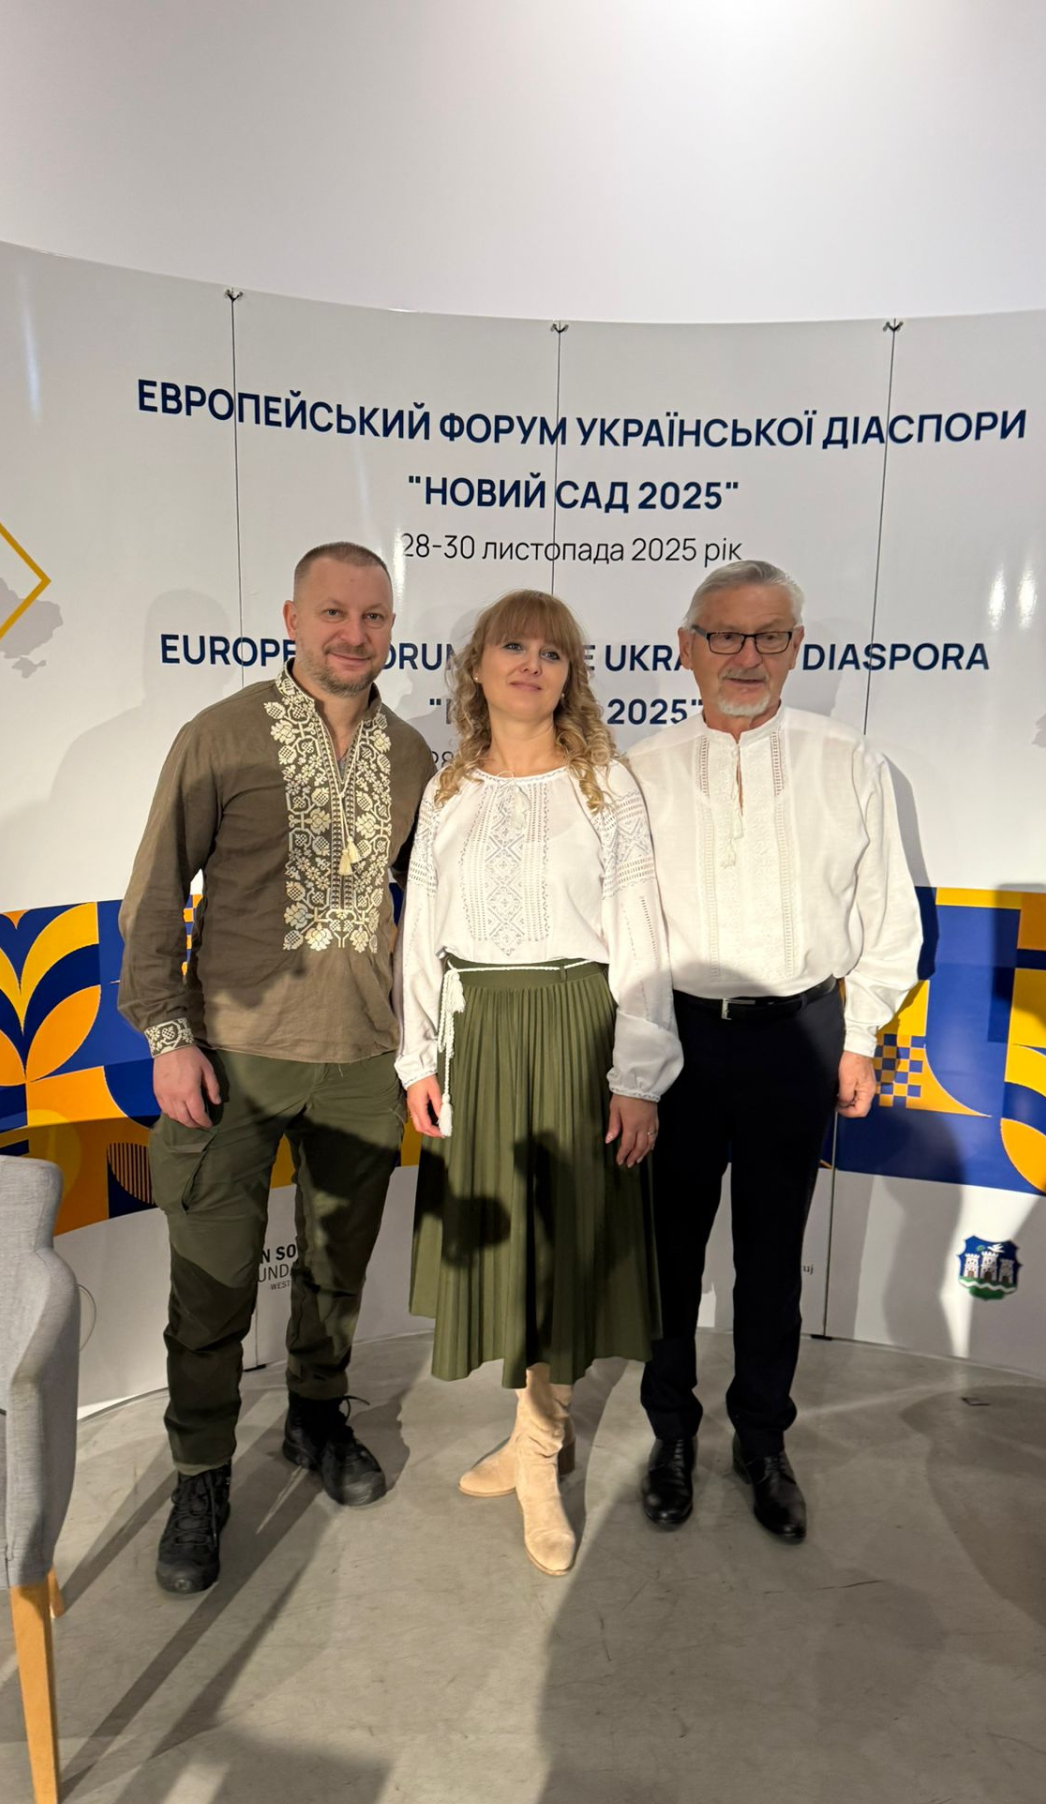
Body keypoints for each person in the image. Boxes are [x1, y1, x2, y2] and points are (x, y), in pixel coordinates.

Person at [119, 541, 434, 1595]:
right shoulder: (220, 735)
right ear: (292, 619)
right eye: (334, 613)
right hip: (231, 1061)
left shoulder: (413, 756)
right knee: (210, 1288)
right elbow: (154, 896)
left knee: (338, 1269)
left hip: (363, 1059)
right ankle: (200, 1474)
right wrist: (169, 1039)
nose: (355, 635)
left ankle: (316, 1418)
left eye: (374, 617)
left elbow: (434, 910)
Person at [629, 558, 922, 1542]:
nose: (745, 656)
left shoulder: (850, 763)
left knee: (771, 1257)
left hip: (799, 1036)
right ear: (687, 648)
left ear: (797, 647)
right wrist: (631, 1067)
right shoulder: (638, 772)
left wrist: (862, 1036)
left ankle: (763, 1440)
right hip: (674, 1038)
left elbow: (887, 916)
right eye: (725, 634)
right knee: (668, 1256)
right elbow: (622, 933)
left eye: (769, 636)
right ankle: (671, 1434)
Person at [396, 589, 682, 1576]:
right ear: (476, 666)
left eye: (552, 653)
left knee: (560, 1253)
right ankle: (529, 1437)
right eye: (512, 646)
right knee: (507, 1248)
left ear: (571, 677)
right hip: (476, 1035)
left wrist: (637, 1074)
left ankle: (540, 1453)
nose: (531, 664)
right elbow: (420, 936)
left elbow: (641, 932)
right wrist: (417, 1057)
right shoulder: (448, 790)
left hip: (573, 1029)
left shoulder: (607, 786)